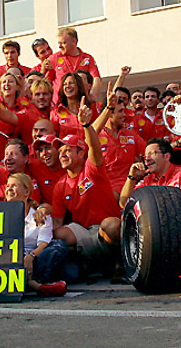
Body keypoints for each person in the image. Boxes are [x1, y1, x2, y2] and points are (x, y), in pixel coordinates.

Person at [50, 100, 121, 270]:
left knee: (111, 225)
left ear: (81, 153)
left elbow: (94, 147)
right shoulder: (60, 185)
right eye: (60, 152)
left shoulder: (92, 168)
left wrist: (86, 125)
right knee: (59, 234)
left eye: (68, 150)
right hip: (84, 231)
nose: (62, 155)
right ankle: (85, 266)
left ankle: (119, 264)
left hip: (107, 227)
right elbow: (57, 222)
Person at [5, 173, 68, 296]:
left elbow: (44, 242)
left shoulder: (39, 215)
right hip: (10, 260)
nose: (9, 189)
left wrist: (31, 256)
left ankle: (29, 282)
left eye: (13, 186)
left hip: (35, 260)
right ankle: (33, 285)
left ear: (27, 192)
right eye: (7, 186)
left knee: (58, 247)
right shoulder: (1, 215)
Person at [120, 139, 181, 215]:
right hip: (150, 228)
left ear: (166, 156)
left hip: (176, 227)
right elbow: (124, 203)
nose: (147, 159)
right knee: (112, 224)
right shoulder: (147, 180)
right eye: (145, 156)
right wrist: (132, 178)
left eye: (152, 153)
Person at [44, 27, 102, 99]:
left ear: (74, 41)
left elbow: (96, 79)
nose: (60, 46)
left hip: (81, 102)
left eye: (64, 43)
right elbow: (46, 82)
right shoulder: (53, 59)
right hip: (60, 104)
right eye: (59, 43)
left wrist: (92, 96)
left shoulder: (87, 58)